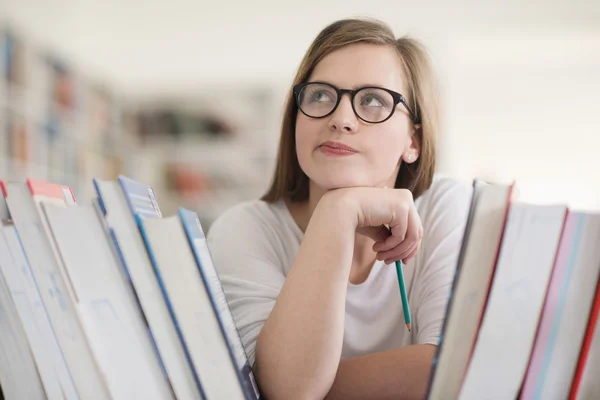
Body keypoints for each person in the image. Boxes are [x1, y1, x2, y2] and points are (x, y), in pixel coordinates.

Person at [207, 17, 472, 400]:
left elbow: (451, 372)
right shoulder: (245, 229)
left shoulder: (446, 207)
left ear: (413, 140)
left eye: (373, 100)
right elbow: (289, 390)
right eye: (319, 96)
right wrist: (339, 211)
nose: (341, 119)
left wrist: (305, 384)